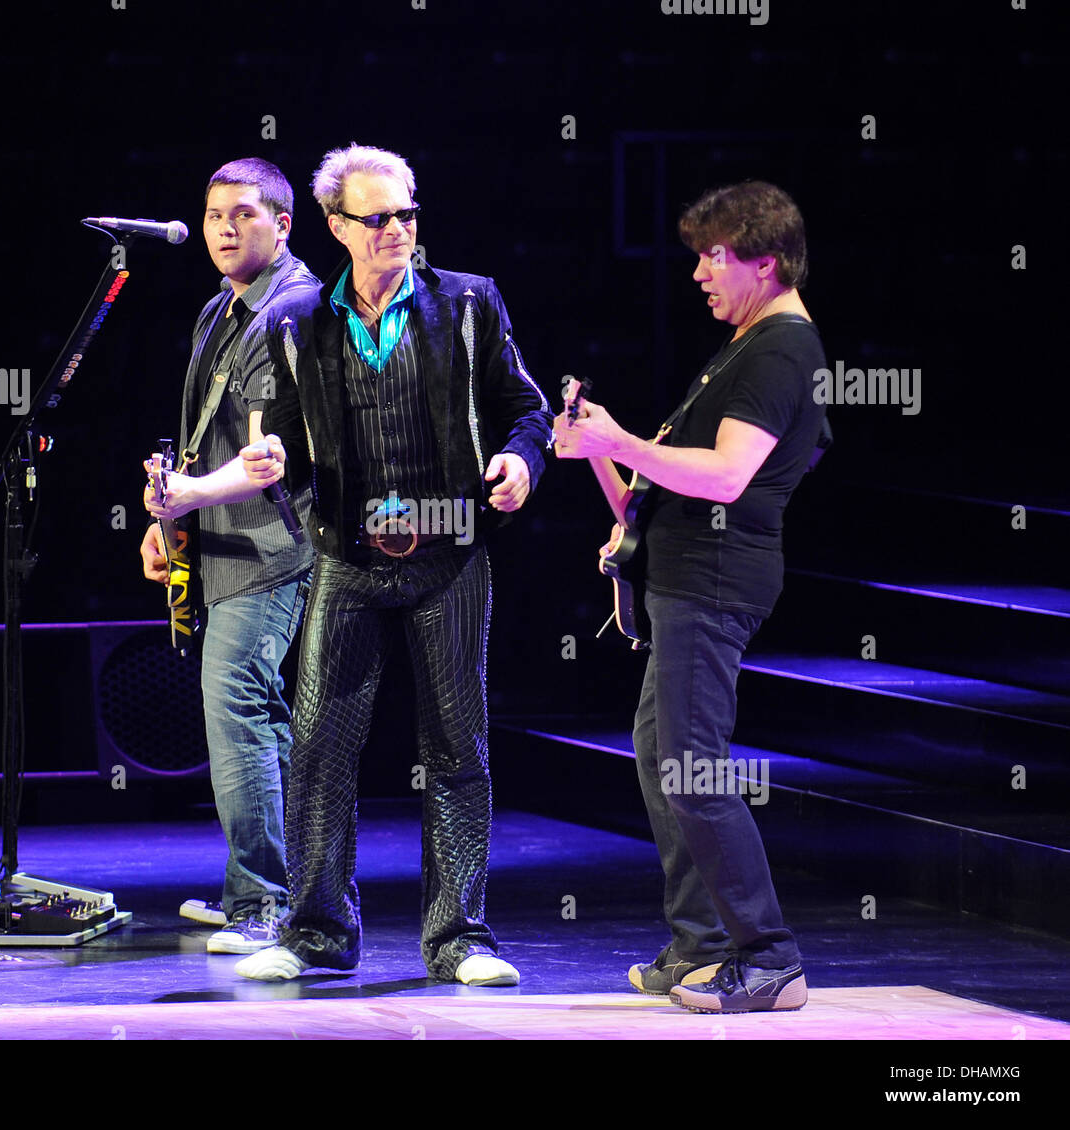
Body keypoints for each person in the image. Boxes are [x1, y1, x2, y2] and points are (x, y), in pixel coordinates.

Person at [233, 144, 553, 986]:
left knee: (457, 746)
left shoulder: (469, 304)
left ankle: (461, 939)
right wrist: (275, 468)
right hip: (347, 556)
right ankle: (315, 935)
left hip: (448, 555)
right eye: (377, 219)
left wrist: (523, 461)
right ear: (336, 227)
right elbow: (294, 446)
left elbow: (528, 408)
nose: (399, 231)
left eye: (408, 213)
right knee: (320, 747)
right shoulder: (301, 321)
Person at [552, 180, 825, 1012]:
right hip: (681, 579)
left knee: (694, 771)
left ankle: (769, 956)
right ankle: (704, 944)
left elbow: (730, 477)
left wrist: (620, 440)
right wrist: (600, 450)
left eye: (715, 257)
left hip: (714, 585)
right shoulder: (739, 346)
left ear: (765, 262)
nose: (700, 274)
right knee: (661, 756)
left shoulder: (780, 351)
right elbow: (652, 492)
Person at [140, 157, 317, 955]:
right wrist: (170, 516)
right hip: (221, 542)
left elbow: (275, 451)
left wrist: (190, 496)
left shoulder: (297, 309)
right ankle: (272, 889)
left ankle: (264, 905)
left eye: (242, 214)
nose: (222, 226)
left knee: (236, 706)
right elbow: (207, 438)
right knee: (261, 720)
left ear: (282, 224)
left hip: (274, 546)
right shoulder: (221, 310)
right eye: (213, 213)